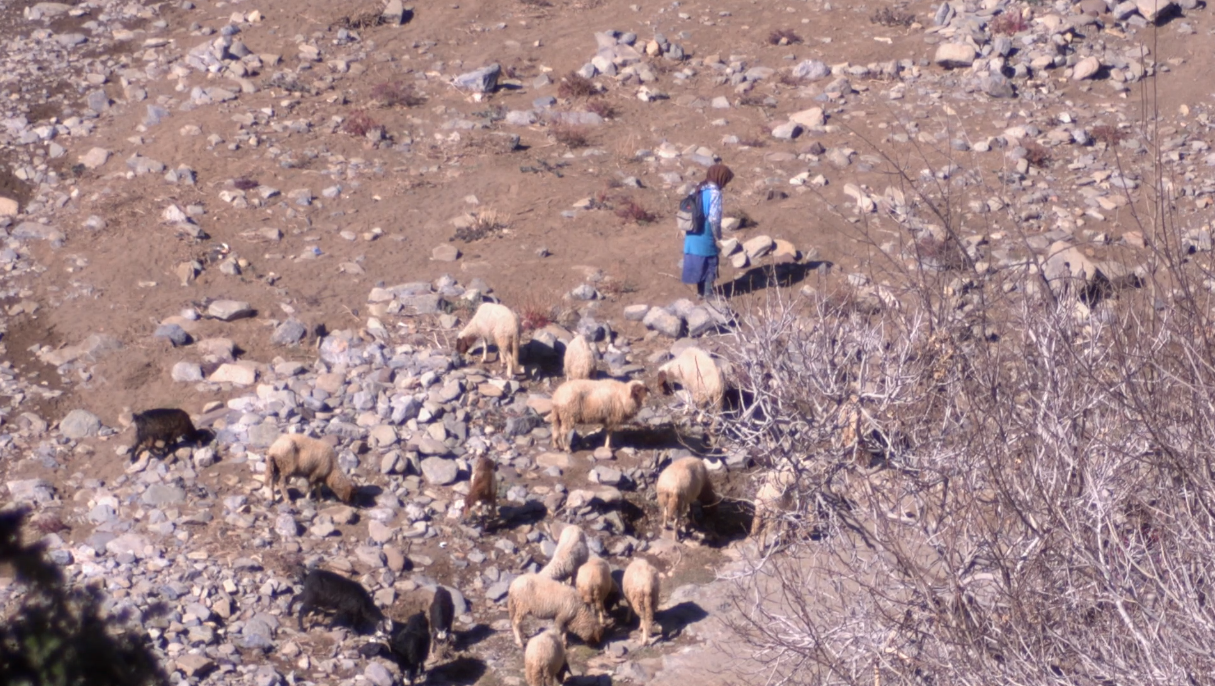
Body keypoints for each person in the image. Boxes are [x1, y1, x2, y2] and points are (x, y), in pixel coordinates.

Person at [681, 164, 734, 300]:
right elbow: (714, 218)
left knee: (698, 261)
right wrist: (718, 235)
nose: (726, 184)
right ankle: (709, 295)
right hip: (705, 230)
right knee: (710, 261)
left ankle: (700, 293)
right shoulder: (715, 193)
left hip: (692, 230)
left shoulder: (698, 188)